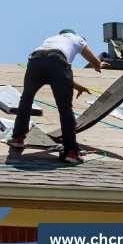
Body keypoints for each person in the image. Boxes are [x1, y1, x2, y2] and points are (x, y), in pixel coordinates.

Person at [10, 29, 102, 163]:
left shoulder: (51, 40)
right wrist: (99, 65)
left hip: (35, 60)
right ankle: (71, 152)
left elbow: (51, 70)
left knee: (26, 99)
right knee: (65, 108)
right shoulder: (77, 38)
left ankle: (18, 138)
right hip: (57, 60)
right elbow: (92, 61)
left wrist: (77, 86)